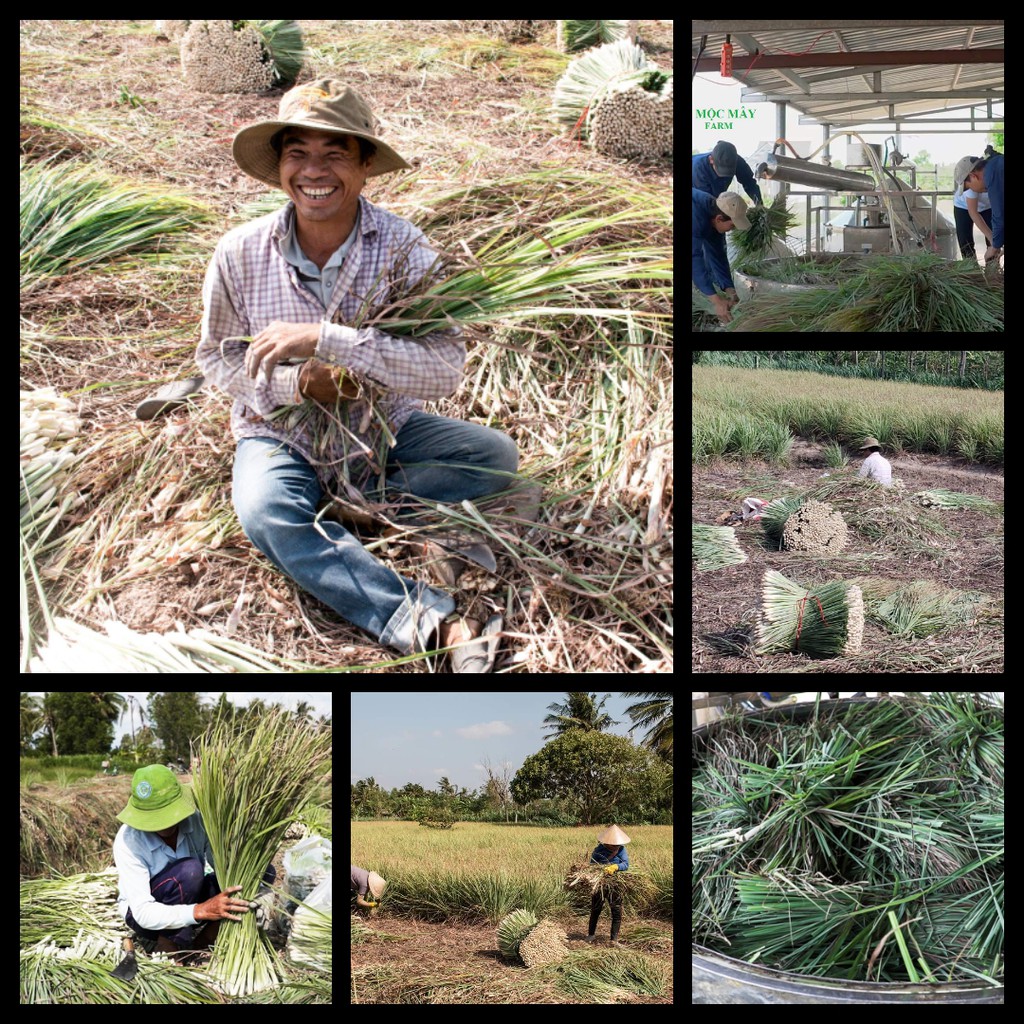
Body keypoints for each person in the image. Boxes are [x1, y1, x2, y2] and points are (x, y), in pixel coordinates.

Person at [195, 80, 516, 669]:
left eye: (335, 153)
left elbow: (444, 370)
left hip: (380, 428)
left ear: (366, 164)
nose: (314, 171)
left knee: (494, 456)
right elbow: (214, 356)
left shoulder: (403, 250)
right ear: (280, 166)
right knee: (267, 511)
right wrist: (297, 385)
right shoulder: (238, 252)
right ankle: (425, 620)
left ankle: (356, 496)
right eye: (299, 153)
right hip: (279, 434)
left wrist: (329, 341)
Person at [113, 764, 271, 957]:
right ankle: (168, 941)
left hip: (191, 894)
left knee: (261, 871)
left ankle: (205, 938)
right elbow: (143, 913)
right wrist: (200, 911)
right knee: (190, 871)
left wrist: (243, 887)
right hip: (147, 918)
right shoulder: (128, 841)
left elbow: (223, 869)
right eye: (156, 818)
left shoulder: (197, 821)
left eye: (168, 814)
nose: (165, 824)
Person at [692, 189, 750, 323]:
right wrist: (716, 300)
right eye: (732, 226)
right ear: (719, 219)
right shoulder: (696, 218)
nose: (732, 230)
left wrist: (729, 289)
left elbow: (718, 255)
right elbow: (694, 259)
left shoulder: (716, 213)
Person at [584, 824, 631, 946]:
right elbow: (592, 866)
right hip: (600, 883)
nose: (614, 846)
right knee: (596, 909)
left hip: (615, 883)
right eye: (612, 844)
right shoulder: (598, 851)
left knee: (616, 911)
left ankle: (613, 940)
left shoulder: (621, 850)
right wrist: (601, 870)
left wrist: (616, 866)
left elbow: (626, 864)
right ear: (606, 842)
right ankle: (591, 935)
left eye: (616, 844)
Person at [960, 148, 1004, 264]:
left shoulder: (991, 175)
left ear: (973, 176)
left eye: (968, 187)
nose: (971, 191)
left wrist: (994, 247)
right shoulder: (996, 164)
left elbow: (999, 215)